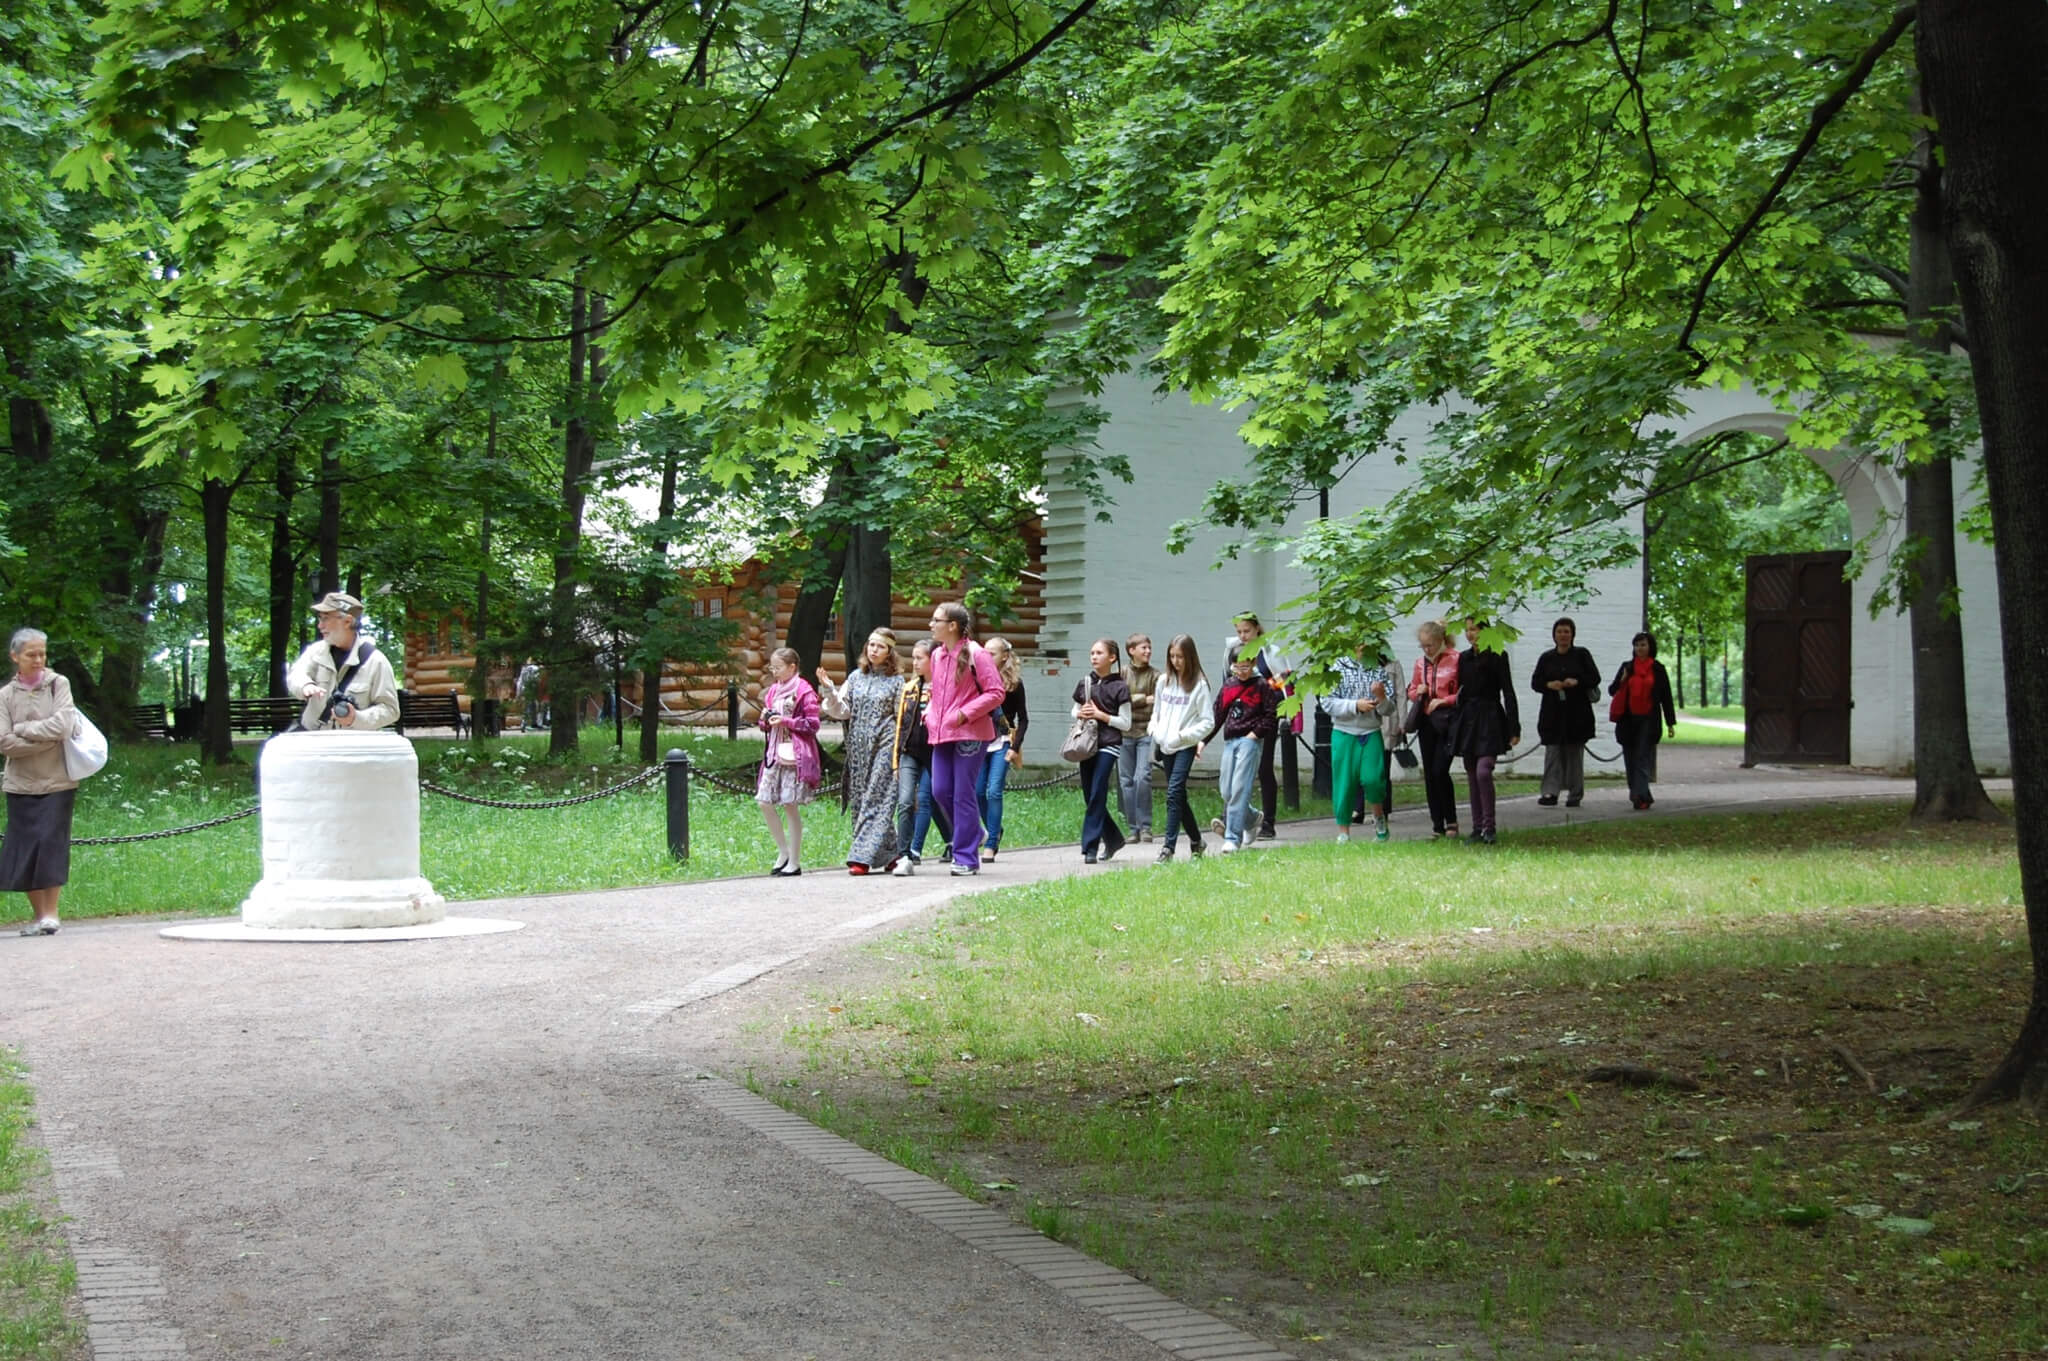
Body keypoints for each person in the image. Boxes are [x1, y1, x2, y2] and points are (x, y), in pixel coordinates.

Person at [1, 629, 79, 936]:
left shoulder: (59, 684)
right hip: (19, 784)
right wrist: (43, 740)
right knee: (25, 848)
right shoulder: (5, 696)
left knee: (50, 844)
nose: (38, 660)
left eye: (42, 654)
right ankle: (39, 916)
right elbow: (5, 742)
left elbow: (64, 725)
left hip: (57, 781)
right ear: (15, 656)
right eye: (31, 654)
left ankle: (51, 914)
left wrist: (24, 729)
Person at [924, 602, 1005, 876]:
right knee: (939, 791)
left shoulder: (977, 654)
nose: (931, 625)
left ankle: (966, 858)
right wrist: (929, 713)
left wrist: (963, 714)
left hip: (970, 732)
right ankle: (974, 831)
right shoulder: (937, 655)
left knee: (962, 793)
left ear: (952, 626)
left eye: (936, 620)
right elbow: (937, 691)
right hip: (941, 732)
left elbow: (995, 692)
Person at [816, 629, 904, 875]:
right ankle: (891, 854)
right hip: (858, 749)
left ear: (889, 653)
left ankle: (861, 856)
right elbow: (842, 711)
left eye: (880, 647)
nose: (874, 650)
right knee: (861, 797)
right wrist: (830, 690)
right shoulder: (855, 678)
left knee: (877, 797)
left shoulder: (897, 682)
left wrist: (900, 750)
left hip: (885, 745)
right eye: (871, 645)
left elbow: (900, 718)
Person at [1199, 643, 1279, 853]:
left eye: (1246, 667)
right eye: (1237, 667)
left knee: (1240, 788)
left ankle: (1232, 838)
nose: (1242, 672)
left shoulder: (1262, 684)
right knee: (1227, 789)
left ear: (1253, 664)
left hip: (1250, 741)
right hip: (1230, 741)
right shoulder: (1229, 685)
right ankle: (1251, 818)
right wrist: (1203, 741)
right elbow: (1217, 714)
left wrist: (1254, 735)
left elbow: (1271, 715)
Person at [286, 592, 400, 731]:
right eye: (320, 619)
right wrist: (305, 685)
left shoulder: (376, 661)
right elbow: (295, 675)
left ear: (347, 621)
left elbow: (390, 710)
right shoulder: (315, 652)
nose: (320, 626)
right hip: (313, 744)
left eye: (325, 619)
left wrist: (356, 718)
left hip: (352, 748)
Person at [1319, 644, 1398, 843]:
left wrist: (1380, 698)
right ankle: (1343, 831)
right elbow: (1327, 702)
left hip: (1370, 731)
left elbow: (1389, 708)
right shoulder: (1338, 668)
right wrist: (1355, 705)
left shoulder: (1378, 669)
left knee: (1373, 779)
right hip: (1344, 733)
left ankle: (1379, 819)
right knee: (1344, 783)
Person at [1452, 619, 1520, 844]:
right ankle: (1477, 827)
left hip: (1490, 717)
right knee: (1471, 774)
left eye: (1475, 629)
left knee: (1483, 771)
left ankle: (1489, 827)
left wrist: (1513, 726)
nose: (1471, 634)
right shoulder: (1464, 658)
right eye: (1468, 630)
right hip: (1469, 718)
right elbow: (1460, 691)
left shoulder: (1497, 655)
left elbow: (1508, 691)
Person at [757, 647, 822, 875]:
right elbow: (764, 721)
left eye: (778, 667)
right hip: (773, 754)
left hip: (795, 756)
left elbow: (812, 724)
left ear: (792, 667)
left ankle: (794, 860)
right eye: (772, 667)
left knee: (789, 804)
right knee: (764, 802)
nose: (774, 672)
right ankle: (782, 851)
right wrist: (766, 720)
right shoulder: (773, 691)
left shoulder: (804, 690)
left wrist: (786, 721)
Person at [1150, 634, 1213, 863]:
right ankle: (1197, 841)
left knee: (1173, 792)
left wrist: (1183, 737)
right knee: (1179, 796)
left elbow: (1208, 721)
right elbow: (1156, 712)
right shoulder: (1163, 681)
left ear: (1190, 657)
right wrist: (1155, 731)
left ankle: (1168, 848)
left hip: (1184, 745)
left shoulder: (1199, 685)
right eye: (1172, 656)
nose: (1176, 661)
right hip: (1165, 744)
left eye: (1180, 657)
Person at [891, 640, 952, 875]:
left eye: (920, 658)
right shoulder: (909, 688)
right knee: (906, 801)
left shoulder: (944, 688)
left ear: (933, 660)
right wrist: (896, 760)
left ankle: (959, 839)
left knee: (934, 798)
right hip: (909, 753)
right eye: (913, 658)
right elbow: (900, 726)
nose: (915, 663)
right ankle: (904, 855)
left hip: (935, 753)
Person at [1072, 637, 1133, 864]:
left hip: (1109, 745)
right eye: (1092, 653)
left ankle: (1089, 847)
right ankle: (1114, 838)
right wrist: (1082, 713)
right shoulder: (1085, 683)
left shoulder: (1120, 687)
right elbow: (1074, 711)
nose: (1094, 657)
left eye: (1099, 653)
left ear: (1112, 657)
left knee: (1098, 791)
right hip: (1087, 743)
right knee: (1090, 796)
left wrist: (1102, 716)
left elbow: (1126, 723)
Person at [1531, 617, 1601, 807]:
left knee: (1574, 755)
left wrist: (1577, 682)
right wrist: (1549, 684)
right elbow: (1535, 682)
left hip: (1577, 714)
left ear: (1572, 635)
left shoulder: (1582, 655)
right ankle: (1550, 793)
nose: (1563, 635)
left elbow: (1594, 677)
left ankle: (1575, 793)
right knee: (1552, 753)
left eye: (1566, 631)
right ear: (1554, 635)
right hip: (1552, 713)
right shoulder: (1546, 658)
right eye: (1560, 631)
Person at [1232, 613, 1291, 840]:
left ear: (1257, 629)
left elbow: (1285, 684)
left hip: (1266, 717)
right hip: (1243, 717)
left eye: (1246, 631)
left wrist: (1273, 690)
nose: (1243, 636)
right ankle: (1238, 817)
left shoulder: (1271, 652)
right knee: (1239, 767)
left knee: (1264, 767)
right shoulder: (1234, 652)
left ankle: (1268, 822)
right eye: (1239, 632)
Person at [1608, 632, 1677, 810]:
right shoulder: (1627, 667)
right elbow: (1612, 690)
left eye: (1643, 645)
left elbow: (1666, 697)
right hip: (1628, 719)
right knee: (1630, 759)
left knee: (1642, 757)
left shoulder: (1658, 669)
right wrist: (1622, 680)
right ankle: (1638, 792)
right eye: (1637, 645)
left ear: (1650, 647)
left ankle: (1641, 795)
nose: (1640, 648)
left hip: (1648, 719)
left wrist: (1670, 722)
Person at [1406, 619, 1462, 840]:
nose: (1427, 650)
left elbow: (1463, 692)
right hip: (1427, 721)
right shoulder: (1421, 664)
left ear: (1440, 641)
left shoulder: (1456, 660)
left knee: (1440, 770)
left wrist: (1446, 700)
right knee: (1429, 773)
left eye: (1430, 645)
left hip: (1447, 721)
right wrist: (1418, 691)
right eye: (1423, 646)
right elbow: (1411, 690)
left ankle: (1452, 819)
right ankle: (1437, 823)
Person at [978, 636, 1028, 862]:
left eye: (992, 653)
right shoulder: (977, 679)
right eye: (984, 652)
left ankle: (991, 843)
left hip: (1002, 742)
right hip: (979, 742)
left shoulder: (1014, 684)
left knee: (994, 791)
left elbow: (1024, 719)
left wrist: (1014, 748)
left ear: (1005, 656)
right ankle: (994, 828)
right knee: (978, 792)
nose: (987, 657)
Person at [1117, 633, 1158, 843]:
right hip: (1124, 733)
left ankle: (1146, 826)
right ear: (1132, 650)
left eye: (1149, 648)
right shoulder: (1122, 672)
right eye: (1144, 648)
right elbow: (1119, 698)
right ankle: (1132, 829)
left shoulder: (1156, 676)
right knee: (1126, 781)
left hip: (1146, 732)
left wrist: (1134, 701)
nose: (1148, 651)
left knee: (1141, 777)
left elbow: (1158, 701)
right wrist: (1144, 699)